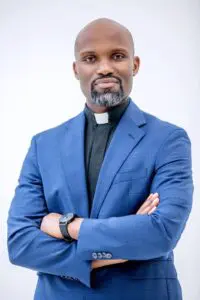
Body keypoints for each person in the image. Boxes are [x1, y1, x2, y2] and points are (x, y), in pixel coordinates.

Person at [7, 18, 193, 300]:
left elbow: (162, 233)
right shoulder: (42, 145)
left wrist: (67, 226)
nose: (104, 67)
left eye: (117, 56)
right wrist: (108, 255)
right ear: (76, 69)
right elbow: (20, 244)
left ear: (135, 64)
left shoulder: (168, 140)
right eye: (90, 58)